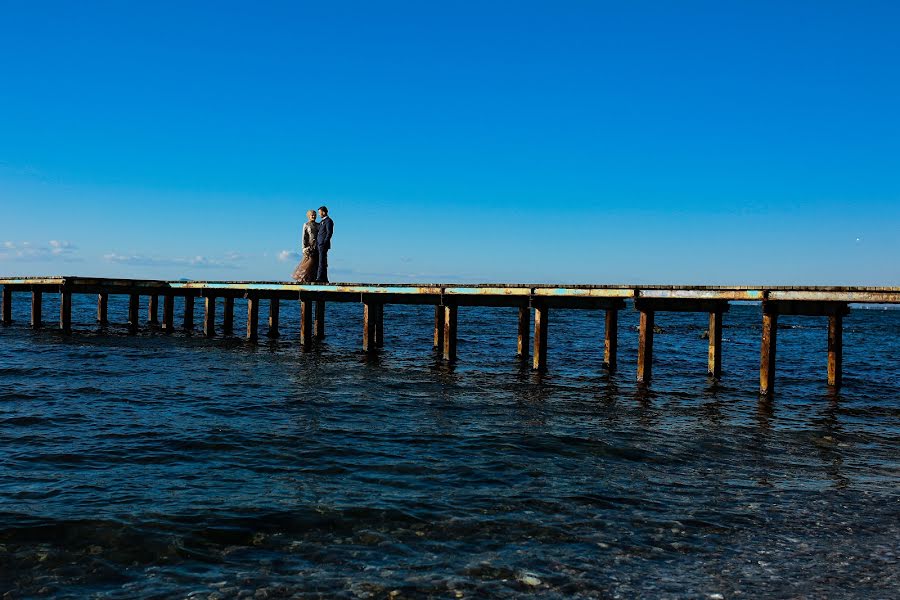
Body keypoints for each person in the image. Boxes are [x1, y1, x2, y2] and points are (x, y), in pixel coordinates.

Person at [292, 210, 320, 282]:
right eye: (312, 215)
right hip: (309, 247)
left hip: (317, 247)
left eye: (314, 215)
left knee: (315, 264)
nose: (313, 216)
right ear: (308, 216)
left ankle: (313, 278)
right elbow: (304, 237)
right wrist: (304, 248)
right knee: (307, 263)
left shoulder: (318, 225)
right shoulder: (306, 224)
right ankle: (304, 278)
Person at [316, 205, 334, 283]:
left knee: (321, 261)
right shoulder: (321, 222)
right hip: (319, 244)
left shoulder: (329, 221)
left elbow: (329, 233)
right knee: (322, 261)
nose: (319, 214)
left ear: (324, 212)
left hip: (323, 244)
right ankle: (324, 278)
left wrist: (324, 242)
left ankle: (320, 278)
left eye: (320, 213)